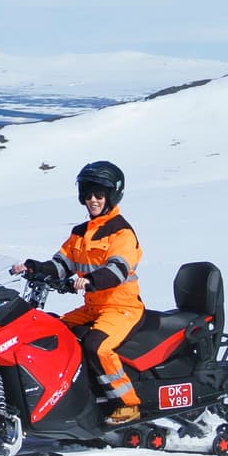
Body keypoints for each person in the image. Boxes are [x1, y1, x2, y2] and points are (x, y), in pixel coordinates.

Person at [23, 160, 144, 423]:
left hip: (122, 307)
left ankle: (127, 404)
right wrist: (32, 267)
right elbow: (61, 264)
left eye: (99, 194)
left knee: (97, 346)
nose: (93, 200)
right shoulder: (80, 233)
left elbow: (118, 269)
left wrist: (90, 280)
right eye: (88, 194)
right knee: (51, 331)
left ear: (111, 196)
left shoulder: (121, 232)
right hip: (93, 307)